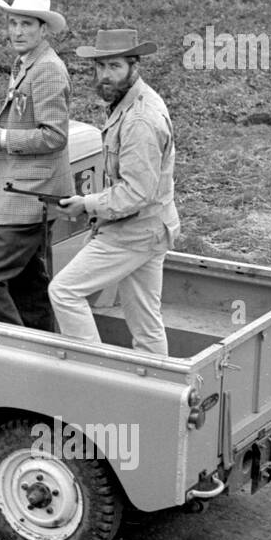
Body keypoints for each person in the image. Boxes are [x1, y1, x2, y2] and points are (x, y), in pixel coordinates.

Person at [49, 29, 180, 356]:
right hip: (150, 228)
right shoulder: (134, 101)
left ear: (134, 66)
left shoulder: (139, 121)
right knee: (147, 323)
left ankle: (97, 373)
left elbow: (136, 194)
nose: (105, 76)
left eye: (115, 67)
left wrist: (86, 204)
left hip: (134, 231)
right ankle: (156, 392)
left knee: (64, 292)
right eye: (101, 67)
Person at [0, 0, 71, 330]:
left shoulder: (48, 70)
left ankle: (14, 344)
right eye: (13, 23)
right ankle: (42, 343)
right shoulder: (25, 63)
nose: (17, 31)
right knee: (29, 283)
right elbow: (23, 120)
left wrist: (4, 137)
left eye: (26, 24)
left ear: (43, 29)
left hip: (29, 198)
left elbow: (54, 136)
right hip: (23, 194)